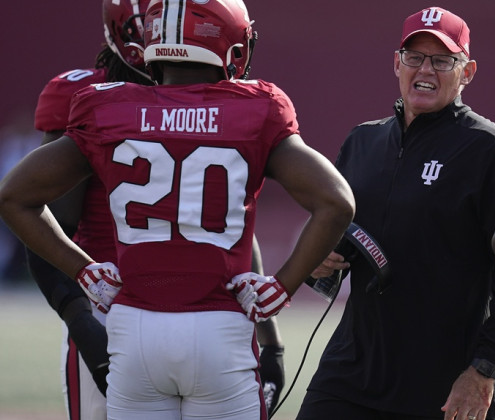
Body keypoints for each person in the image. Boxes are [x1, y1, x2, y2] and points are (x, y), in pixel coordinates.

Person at [0, 0, 355, 418]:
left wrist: (82, 269)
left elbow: (14, 196)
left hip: (132, 328)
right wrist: (281, 287)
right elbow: (336, 201)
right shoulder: (256, 108)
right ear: (231, 45)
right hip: (219, 328)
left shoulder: (107, 108)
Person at [297, 7, 495, 420]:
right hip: (350, 372)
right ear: (397, 63)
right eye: (414, 57)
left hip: (442, 383)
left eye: (442, 60)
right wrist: (320, 262)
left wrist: (483, 371)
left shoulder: (490, 151)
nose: (425, 69)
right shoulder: (362, 142)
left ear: (468, 72)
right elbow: (334, 241)